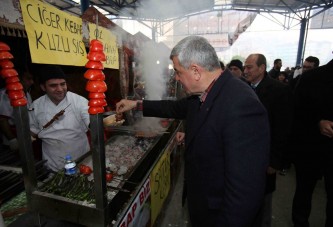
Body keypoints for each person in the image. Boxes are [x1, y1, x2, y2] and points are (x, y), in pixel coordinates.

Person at [116, 36, 270, 227]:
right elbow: (174, 108)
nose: (177, 79)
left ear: (196, 71)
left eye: (178, 72)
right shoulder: (205, 92)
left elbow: (245, 191)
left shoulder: (241, 104)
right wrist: (137, 104)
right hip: (202, 203)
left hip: (219, 214)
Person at [243, 53, 293, 227]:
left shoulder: (279, 91)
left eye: (249, 67)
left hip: (266, 159)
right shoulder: (242, 88)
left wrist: (274, 162)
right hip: (244, 157)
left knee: (263, 203)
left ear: (262, 68)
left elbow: (282, 129)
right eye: (245, 67)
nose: (245, 70)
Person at [291, 57, 333, 227]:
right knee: (304, 190)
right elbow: (296, 109)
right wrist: (318, 121)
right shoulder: (312, 78)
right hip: (310, 146)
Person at [29, 65, 90, 171]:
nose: (60, 89)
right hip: (52, 162)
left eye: (63, 84)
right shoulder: (36, 106)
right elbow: (32, 131)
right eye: (53, 86)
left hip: (80, 159)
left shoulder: (79, 101)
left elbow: (90, 122)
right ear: (43, 87)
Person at [0, 68, 34, 152]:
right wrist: (12, 140)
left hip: (25, 137)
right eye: (28, 79)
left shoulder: (27, 94)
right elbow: (2, 120)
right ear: (18, 79)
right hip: (12, 140)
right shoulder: (6, 95)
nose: (32, 82)